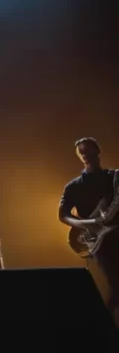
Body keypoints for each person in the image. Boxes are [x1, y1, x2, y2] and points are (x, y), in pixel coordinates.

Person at [58, 137, 119, 326]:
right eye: (81, 152)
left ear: (98, 152)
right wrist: (86, 223)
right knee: (115, 284)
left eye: (88, 150)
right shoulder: (74, 186)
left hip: (116, 233)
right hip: (98, 242)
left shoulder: (113, 178)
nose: (85, 154)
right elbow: (63, 215)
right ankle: (100, 325)